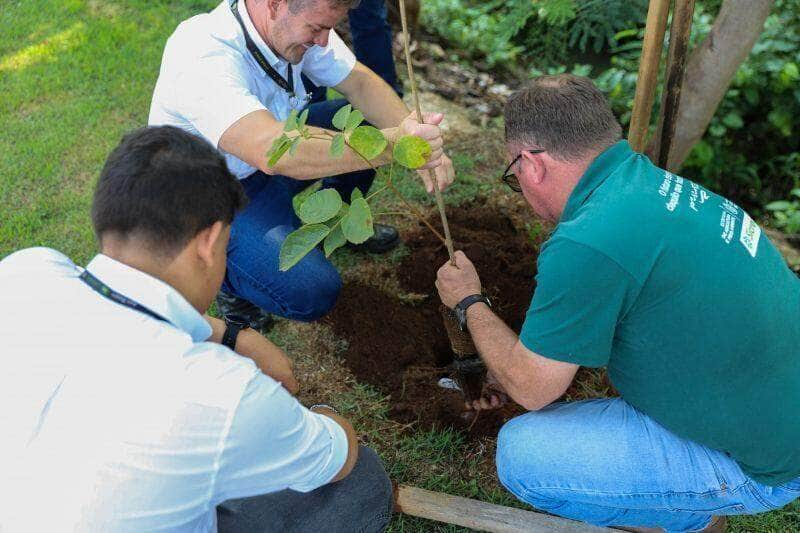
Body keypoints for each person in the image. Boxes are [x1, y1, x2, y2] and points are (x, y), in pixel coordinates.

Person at [435, 74, 800, 532]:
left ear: (531, 164)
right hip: (778, 404)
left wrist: (469, 301)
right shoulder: (653, 186)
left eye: (513, 178)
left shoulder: (588, 241)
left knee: (524, 456)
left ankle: (692, 521)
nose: (520, 188)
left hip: (767, 464)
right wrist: (509, 361)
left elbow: (533, 389)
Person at [0, 126, 393, 532]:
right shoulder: (223, 391)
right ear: (209, 244)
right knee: (362, 481)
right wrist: (313, 414)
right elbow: (338, 458)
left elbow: (128, 306)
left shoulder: (26, 272)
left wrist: (234, 335)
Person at [149, 0, 454, 328]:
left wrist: (419, 143)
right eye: (317, 29)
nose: (324, 41)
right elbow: (272, 150)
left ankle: (341, 224)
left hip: (265, 164)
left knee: (365, 123)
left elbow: (360, 83)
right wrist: (394, 146)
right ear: (274, 5)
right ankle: (229, 280)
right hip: (212, 198)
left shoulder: (300, 24)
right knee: (311, 290)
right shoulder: (202, 54)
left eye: (329, 28)